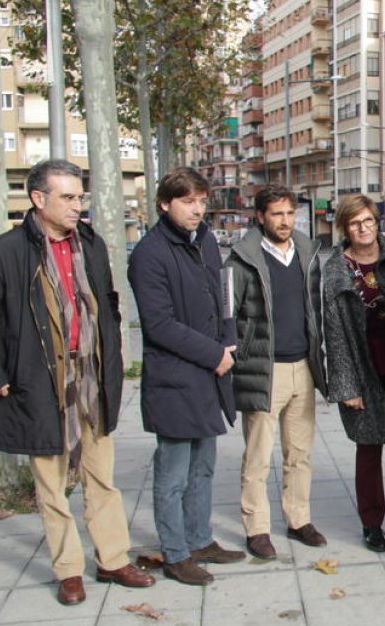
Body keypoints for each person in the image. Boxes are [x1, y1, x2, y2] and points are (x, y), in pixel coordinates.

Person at [0, 159, 155, 605]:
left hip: (91, 381)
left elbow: (107, 303)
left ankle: (113, 559)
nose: (76, 206)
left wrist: (113, 356)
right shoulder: (5, 253)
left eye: (79, 196)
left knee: (103, 477)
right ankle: (68, 571)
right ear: (38, 200)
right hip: (39, 384)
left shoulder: (91, 244)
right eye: (67, 197)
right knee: (52, 483)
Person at [129, 167, 245, 586]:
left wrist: (228, 340)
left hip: (211, 372)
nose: (198, 209)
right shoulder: (149, 253)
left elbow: (222, 296)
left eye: (201, 201)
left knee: (204, 468)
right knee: (173, 473)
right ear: (165, 204)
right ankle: (176, 553)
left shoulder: (206, 240)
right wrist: (214, 353)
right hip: (176, 378)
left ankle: (199, 539)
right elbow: (158, 325)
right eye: (188, 201)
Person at [226, 184, 329, 560]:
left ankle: (299, 519)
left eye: (290, 214)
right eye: (277, 214)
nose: (285, 221)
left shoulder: (307, 251)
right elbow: (228, 315)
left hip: (303, 367)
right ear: (260, 217)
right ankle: (257, 528)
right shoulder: (241, 259)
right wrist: (240, 357)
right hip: (264, 370)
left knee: (299, 453)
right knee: (257, 456)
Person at [323, 195, 385, 553]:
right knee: (368, 448)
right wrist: (346, 384)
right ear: (344, 228)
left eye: (368, 221)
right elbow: (333, 333)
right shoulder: (335, 270)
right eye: (354, 223)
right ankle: (372, 524)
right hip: (363, 364)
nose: (363, 229)